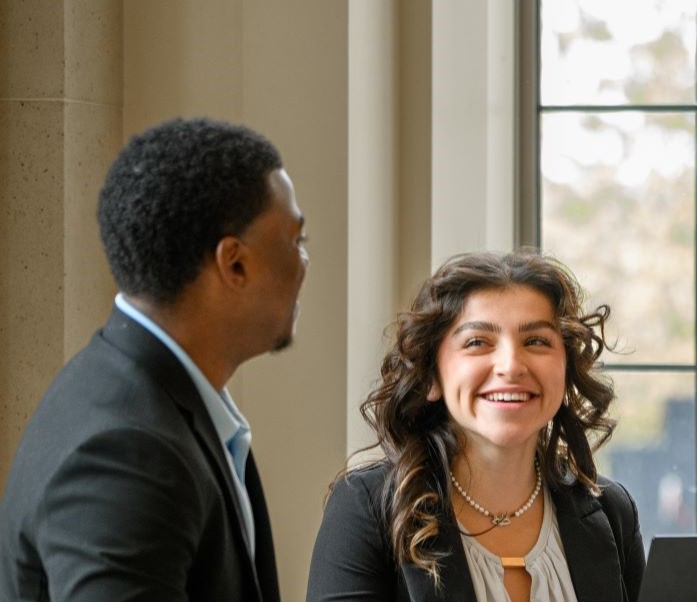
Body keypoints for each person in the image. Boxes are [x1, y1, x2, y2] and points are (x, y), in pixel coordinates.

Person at [0, 117, 305, 601]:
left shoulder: (134, 389)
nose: (303, 263)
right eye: (295, 241)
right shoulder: (127, 453)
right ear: (235, 263)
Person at [307, 250, 643, 602]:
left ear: (566, 368)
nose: (511, 366)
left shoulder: (612, 511)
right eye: (477, 342)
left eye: (536, 341)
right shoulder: (365, 509)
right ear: (431, 376)